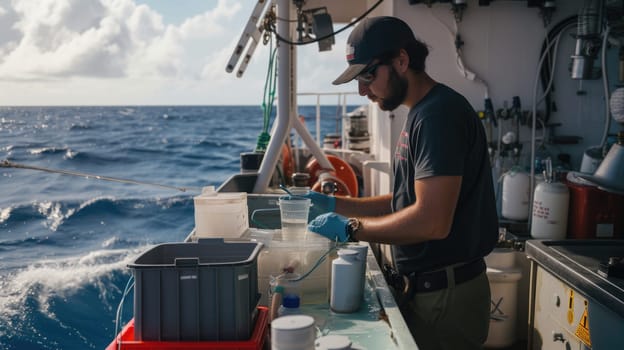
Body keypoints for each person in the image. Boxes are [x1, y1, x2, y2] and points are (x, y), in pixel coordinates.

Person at [305, 16, 499, 350]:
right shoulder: (423, 112)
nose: (362, 90)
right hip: (430, 293)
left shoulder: (440, 115)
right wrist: (336, 204)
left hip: (446, 300)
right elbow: (406, 201)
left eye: (367, 75)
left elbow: (432, 221)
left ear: (402, 61)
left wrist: (351, 228)